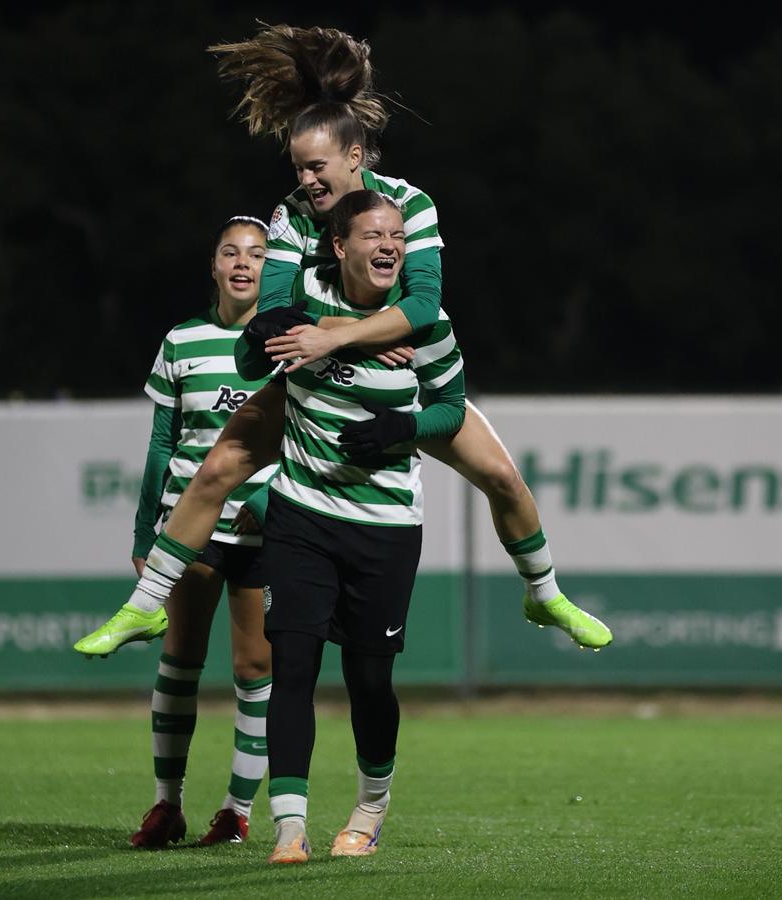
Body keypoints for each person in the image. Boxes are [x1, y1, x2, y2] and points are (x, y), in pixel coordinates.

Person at [95, 23, 610, 659]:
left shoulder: (409, 207)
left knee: (504, 477)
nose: (306, 180)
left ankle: (545, 592)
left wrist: (335, 331)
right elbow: (276, 319)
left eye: (316, 167)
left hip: (407, 380)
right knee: (218, 469)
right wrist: (357, 335)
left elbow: (422, 310)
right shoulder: (289, 217)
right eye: (298, 167)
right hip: (318, 385)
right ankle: (144, 608)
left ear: (355, 160)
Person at [254, 190, 466, 863]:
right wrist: (262, 334)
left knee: (369, 682)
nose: (390, 247)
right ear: (339, 246)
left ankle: (371, 808)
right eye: (374, 235)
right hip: (302, 513)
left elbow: (452, 411)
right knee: (291, 665)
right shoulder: (308, 298)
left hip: (384, 525)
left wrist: (404, 427)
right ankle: (289, 825)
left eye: (399, 237)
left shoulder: (422, 323)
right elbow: (248, 362)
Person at [76, 217, 281, 849]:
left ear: (270, 269)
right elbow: (161, 445)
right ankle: (167, 805)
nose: (243, 263)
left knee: (254, 666)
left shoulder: (287, 342)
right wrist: (145, 534)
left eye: (256, 254)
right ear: (214, 266)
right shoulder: (183, 340)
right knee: (180, 662)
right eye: (231, 253)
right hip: (190, 531)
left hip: (262, 530)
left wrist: (271, 500)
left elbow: (307, 434)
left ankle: (236, 812)